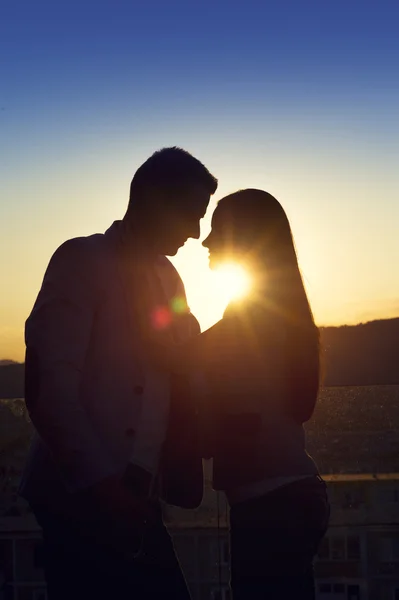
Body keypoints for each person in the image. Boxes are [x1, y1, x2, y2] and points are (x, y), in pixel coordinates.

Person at [19, 147, 218, 600]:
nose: (195, 230)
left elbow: (178, 354)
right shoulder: (80, 260)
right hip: (77, 500)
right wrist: (103, 488)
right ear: (150, 198)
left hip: (137, 502)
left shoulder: (170, 279)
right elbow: (50, 391)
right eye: (191, 212)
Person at [149, 189, 330, 600]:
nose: (207, 241)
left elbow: (231, 424)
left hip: (271, 510)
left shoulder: (245, 328)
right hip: (291, 499)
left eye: (217, 231)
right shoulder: (273, 320)